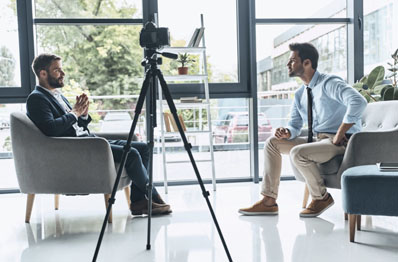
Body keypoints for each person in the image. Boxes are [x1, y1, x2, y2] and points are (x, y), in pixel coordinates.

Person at [26, 53, 171, 216]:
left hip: (89, 140)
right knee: (131, 153)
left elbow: (74, 125)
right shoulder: (36, 99)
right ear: (43, 73)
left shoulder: (57, 95)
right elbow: (50, 129)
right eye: (57, 70)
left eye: (62, 69)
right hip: (79, 148)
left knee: (144, 148)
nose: (63, 74)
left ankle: (138, 201)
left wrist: (83, 115)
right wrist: (74, 113)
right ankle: (153, 197)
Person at [239, 42, 367, 217]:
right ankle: (269, 201)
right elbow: (295, 125)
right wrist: (287, 132)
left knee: (298, 153)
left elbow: (358, 102)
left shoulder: (329, 83)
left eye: (292, 60)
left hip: (341, 142)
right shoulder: (300, 93)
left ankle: (321, 197)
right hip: (317, 140)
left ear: (306, 63)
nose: (287, 64)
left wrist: (340, 132)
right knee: (272, 143)